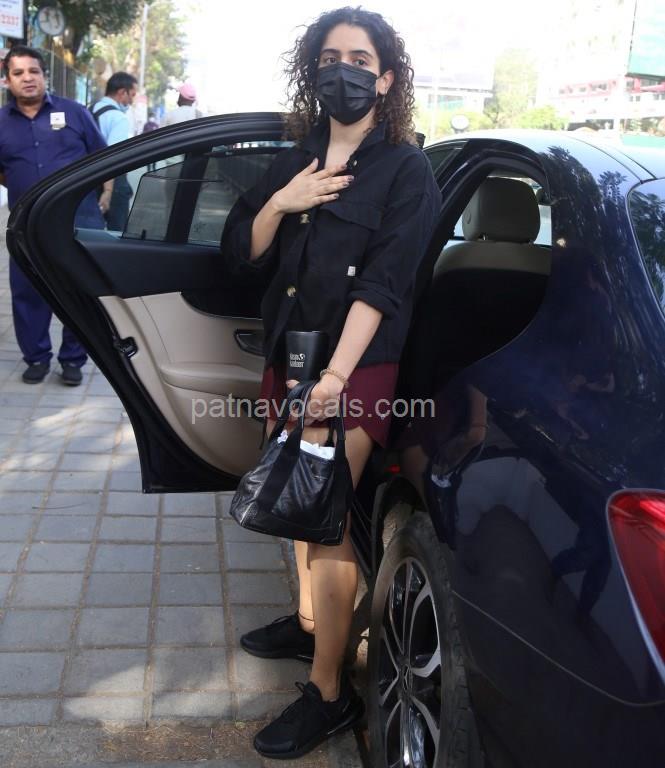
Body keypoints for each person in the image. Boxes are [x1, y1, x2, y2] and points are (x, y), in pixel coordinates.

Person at [221, 7, 441, 759]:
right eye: (327, 58)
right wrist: (281, 203)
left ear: (385, 78)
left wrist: (335, 378)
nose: (340, 70)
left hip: (352, 369)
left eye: (358, 59)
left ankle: (329, 693)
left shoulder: (404, 169)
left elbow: (384, 285)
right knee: (296, 500)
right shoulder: (296, 157)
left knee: (327, 518)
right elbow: (241, 252)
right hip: (289, 356)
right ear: (311, 72)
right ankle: (314, 623)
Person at [0, 45, 109, 386]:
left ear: (44, 75)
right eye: (18, 73)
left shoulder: (75, 113)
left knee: (79, 291)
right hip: (26, 228)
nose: (27, 78)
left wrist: (106, 194)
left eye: (33, 71)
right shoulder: (1, 123)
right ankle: (36, 358)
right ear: (7, 80)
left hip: (77, 223)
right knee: (27, 294)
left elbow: (102, 157)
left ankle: (73, 359)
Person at [91, 71, 137, 231]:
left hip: (88, 178)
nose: (132, 101)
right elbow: (112, 157)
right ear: (122, 92)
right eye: (132, 95)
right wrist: (108, 191)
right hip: (112, 182)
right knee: (117, 233)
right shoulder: (118, 118)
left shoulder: (90, 110)